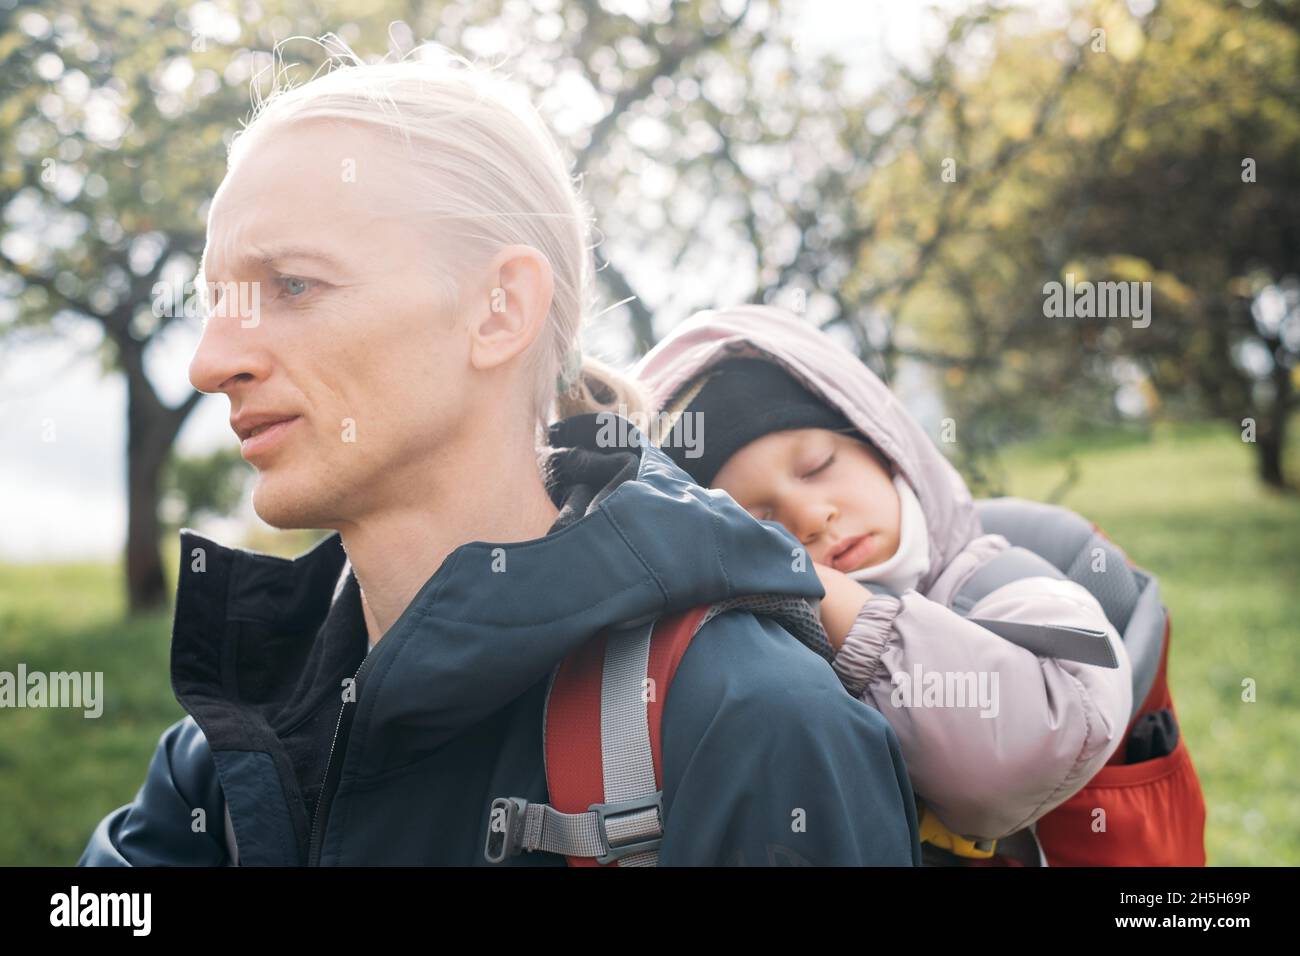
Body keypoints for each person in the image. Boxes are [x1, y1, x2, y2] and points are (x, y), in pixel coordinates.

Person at [76, 43, 920, 867]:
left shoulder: (752, 724)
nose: (210, 363)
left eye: (293, 285)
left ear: (498, 310)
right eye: (214, 304)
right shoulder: (224, 753)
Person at [634, 304, 1134, 866]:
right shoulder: (753, 652)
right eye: (762, 521)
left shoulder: (996, 579)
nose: (813, 515)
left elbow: (1050, 739)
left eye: (818, 465)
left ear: (878, 445)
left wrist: (845, 610)